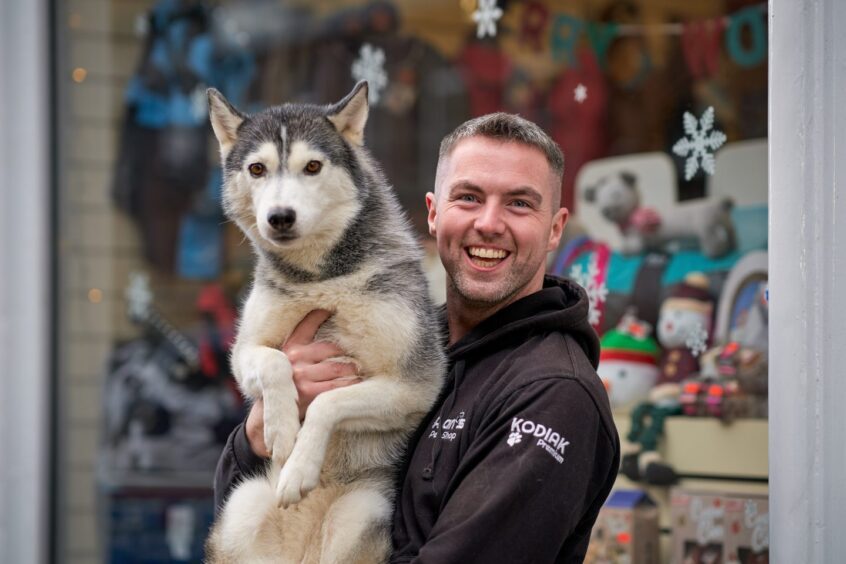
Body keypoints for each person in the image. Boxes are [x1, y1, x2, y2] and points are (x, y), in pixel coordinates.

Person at [214, 113, 620, 563]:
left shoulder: (552, 393)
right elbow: (231, 512)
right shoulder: (414, 337)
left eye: (519, 204)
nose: (489, 223)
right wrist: (256, 434)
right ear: (432, 213)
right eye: (468, 197)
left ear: (556, 228)